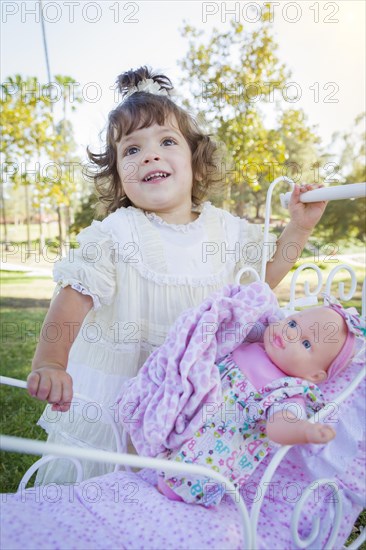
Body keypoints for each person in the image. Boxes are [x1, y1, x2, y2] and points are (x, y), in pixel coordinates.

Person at [27, 66, 327, 484]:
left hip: (193, 391)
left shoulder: (225, 230)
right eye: (131, 150)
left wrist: (299, 228)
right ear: (117, 175)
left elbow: (261, 280)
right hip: (122, 391)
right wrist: (51, 362)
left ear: (195, 162)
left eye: (167, 142)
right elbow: (74, 297)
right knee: (112, 485)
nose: (150, 155)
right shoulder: (117, 233)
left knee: (174, 486)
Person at [149, 299, 361, 506]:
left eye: (306, 343)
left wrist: (303, 431)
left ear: (314, 376)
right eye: (293, 323)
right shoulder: (257, 341)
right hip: (187, 418)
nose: (290, 333)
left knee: (180, 477)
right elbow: (236, 320)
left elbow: (279, 425)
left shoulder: (287, 391)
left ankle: (169, 491)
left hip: (208, 455)